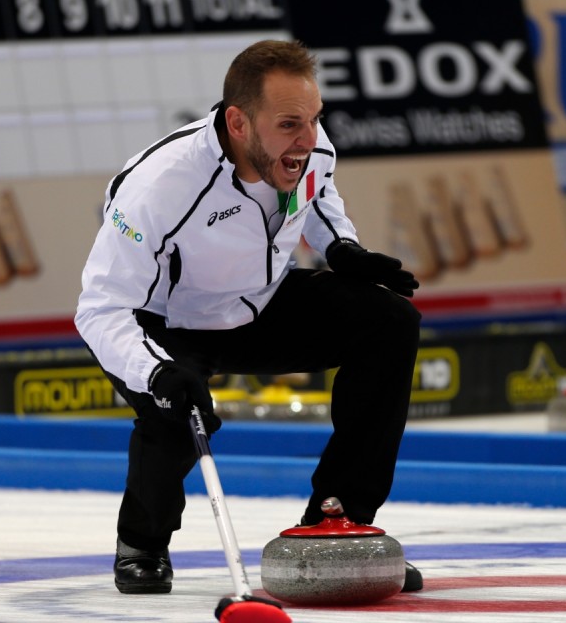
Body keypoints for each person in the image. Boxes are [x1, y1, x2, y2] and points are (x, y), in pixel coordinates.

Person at [74, 39, 422, 596]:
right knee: (178, 418)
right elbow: (101, 307)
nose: (308, 139)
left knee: (388, 322)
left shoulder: (303, 145)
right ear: (238, 122)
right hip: (166, 320)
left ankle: (337, 523)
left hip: (259, 302)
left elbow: (318, 191)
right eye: (290, 124)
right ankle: (142, 543)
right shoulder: (161, 185)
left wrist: (340, 249)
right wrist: (157, 373)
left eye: (314, 119)